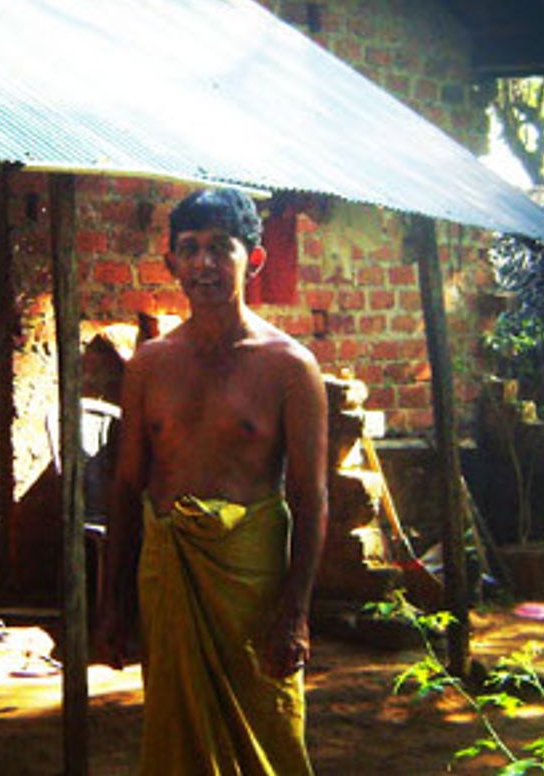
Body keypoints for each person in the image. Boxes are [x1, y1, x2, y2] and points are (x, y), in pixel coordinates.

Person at [94, 187, 328, 775]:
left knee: (269, 739)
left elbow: (310, 497)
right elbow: (126, 486)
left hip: (251, 589)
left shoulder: (290, 367)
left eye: (221, 247)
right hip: (169, 575)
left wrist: (295, 611)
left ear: (254, 259)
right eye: (190, 248)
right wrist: (112, 601)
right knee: (178, 740)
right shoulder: (149, 365)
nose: (204, 263)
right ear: (171, 261)